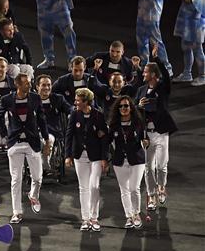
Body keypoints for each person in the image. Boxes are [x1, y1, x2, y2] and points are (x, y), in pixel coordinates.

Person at [0, 73, 48, 224]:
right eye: (26, 83)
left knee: (38, 178)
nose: (29, 85)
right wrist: (5, 134)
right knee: (16, 179)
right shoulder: (6, 99)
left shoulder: (35, 98)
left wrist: (45, 138)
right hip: (15, 143)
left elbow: (41, 119)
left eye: (30, 82)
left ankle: (33, 195)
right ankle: (16, 212)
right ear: (18, 84)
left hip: (32, 142)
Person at [135, 51, 177, 209]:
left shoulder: (163, 88)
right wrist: (139, 105)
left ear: (153, 74)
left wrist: (157, 59)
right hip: (146, 135)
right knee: (148, 166)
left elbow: (166, 76)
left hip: (161, 133)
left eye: (145, 71)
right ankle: (151, 196)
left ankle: (161, 187)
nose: (143, 74)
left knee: (161, 165)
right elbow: (132, 109)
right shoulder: (141, 90)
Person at [65, 87, 108, 231]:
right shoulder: (74, 114)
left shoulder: (98, 115)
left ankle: (94, 217)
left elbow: (104, 138)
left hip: (95, 156)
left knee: (94, 186)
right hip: (79, 156)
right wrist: (68, 156)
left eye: (78, 100)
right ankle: (85, 219)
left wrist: (104, 158)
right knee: (83, 188)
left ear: (86, 101)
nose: (75, 102)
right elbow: (69, 136)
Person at [107, 95, 147, 229]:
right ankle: (129, 216)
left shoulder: (138, 123)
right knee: (124, 190)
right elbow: (107, 142)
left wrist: (146, 142)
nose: (124, 108)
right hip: (119, 160)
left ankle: (136, 214)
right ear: (117, 109)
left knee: (134, 188)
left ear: (131, 108)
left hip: (137, 159)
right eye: (121, 106)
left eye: (126, 106)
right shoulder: (113, 125)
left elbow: (144, 137)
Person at [168, 0, 205, 85]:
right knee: (186, 47)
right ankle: (187, 73)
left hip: (196, 24)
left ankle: (203, 75)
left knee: (197, 50)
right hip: (187, 22)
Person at [37, 74, 72, 172]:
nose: (47, 88)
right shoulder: (31, 99)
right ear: (37, 87)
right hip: (35, 132)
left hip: (52, 131)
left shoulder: (58, 99)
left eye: (49, 85)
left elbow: (69, 108)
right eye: (43, 85)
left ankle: (44, 165)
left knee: (48, 139)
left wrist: (71, 114)